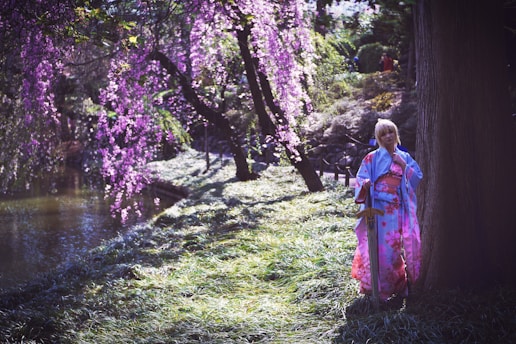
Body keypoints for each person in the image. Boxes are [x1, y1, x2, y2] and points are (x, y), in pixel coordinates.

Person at [351, 119, 423, 301]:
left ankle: (398, 285)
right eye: (383, 134)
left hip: (396, 210)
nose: (388, 136)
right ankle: (376, 289)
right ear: (378, 138)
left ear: (395, 133)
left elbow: (417, 177)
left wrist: (403, 165)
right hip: (377, 209)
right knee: (378, 250)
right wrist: (365, 184)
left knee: (393, 250)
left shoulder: (404, 157)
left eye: (390, 132)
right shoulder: (371, 158)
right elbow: (360, 178)